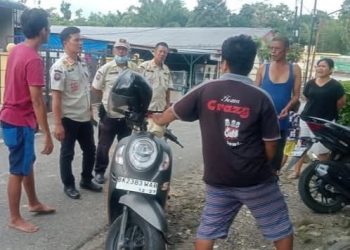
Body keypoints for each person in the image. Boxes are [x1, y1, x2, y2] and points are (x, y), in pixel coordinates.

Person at [152, 35, 293, 250]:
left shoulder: (205, 89)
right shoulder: (261, 97)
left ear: (224, 62)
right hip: (255, 180)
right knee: (280, 228)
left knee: (207, 231)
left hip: (218, 178)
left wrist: (153, 117)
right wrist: (257, 166)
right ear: (251, 63)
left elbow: (168, 114)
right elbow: (271, 145)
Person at [0, 8, 55, 233]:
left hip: (11, 117)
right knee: (17, 170)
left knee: (26, 163)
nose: (49, 30)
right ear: (43, 31)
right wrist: (48, 135)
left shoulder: (17, 50)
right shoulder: (33, 59)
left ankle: (33, 202)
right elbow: (38, 102)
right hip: (19, 121)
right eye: (49, 27)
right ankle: (14, 218)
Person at [50, 26, 102, 200]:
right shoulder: (59, 67)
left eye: (81, 40)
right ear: (66, 43)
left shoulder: (82, 63)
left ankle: (86, 179)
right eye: (76, 40)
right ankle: (69, 185)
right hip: (69, 118)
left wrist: (90, 113)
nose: (81, 43)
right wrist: (58, 124)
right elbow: (56, 98)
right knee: (67, 153)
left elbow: (85, 91)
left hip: (84, 117)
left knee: (90, 150)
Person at [289, 58, 346, 178]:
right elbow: (308, 98)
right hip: (307, 119)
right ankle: (296, 171)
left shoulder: (336, 86)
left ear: (331, 69)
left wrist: (327, 111)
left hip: (325, 122)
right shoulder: (310, 83)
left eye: (324, 66)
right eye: (318, 66)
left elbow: (341, 102)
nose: (320, 68)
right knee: (302, 145)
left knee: (322, 149)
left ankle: (324, 174)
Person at [92, 38, 138, 184]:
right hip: (109, 115)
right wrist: (105, 103)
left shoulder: (134, 69)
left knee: (125, 146)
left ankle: (122, 173)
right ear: (113, 51)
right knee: (103, 146)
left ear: (128, 52)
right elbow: (96, 89)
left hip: (126, 116)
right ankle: (99, 172)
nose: (121, 51)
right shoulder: (105, 68)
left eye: (124, 49)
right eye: (118, 48)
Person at [255, 36, 301, 173]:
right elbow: (254, 92)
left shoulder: (295, 69)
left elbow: (296, 95)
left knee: (276, 155)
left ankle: (272, 183)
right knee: (258, 154)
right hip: (261, 120)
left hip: (281, 119)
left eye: (277, 49)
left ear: (287, 50)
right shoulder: (263, 68)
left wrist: (287, 108)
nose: (273, 52)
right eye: (271, 48)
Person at [138, 42, 174, 137]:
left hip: (160, 111)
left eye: (165, 52)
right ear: (154, 52)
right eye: (160, 51)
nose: (162, 54)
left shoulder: (166, 70)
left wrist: (167, 104)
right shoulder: (144, 67)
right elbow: (135, 87)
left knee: (157, 137)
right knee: (142, 137)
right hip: (146, 110)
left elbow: (168, 89)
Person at [280, 102, 301, 179]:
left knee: (285, 153)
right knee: (285, 155)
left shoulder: (286, 114)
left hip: (286, 136)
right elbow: (297, 127)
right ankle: (278, 169)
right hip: (292, 138)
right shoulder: (297, 116)